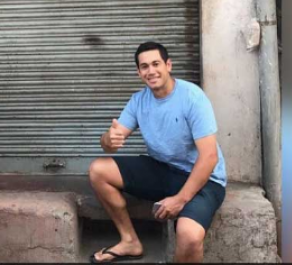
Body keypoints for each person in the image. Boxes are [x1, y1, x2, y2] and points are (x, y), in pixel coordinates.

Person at [88, 41, 227, 263]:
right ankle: (129, 242)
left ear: (168, 65)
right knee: (98, 170)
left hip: (204, 179)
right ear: (139, 72)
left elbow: (209, 157)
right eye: (144, 66)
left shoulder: (192, 97)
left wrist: (180, 200)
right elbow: (111, 140)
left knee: (190, 236)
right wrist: (108, 139)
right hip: (163, 170)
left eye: (156, 64)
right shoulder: (139, 100)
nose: (151, 71)